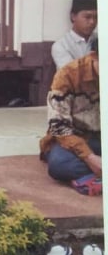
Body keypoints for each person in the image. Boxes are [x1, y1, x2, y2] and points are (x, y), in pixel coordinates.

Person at [39, 39, 100, 189]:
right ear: (94, 56)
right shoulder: (68, 74)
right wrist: (90, 158)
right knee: (60, 165)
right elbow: (59, 127)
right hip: (74, 138)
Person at [51, 0, 98, 69]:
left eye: (96, 17)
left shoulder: (101, 39)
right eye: (87, 17)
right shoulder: (61, 45)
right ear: (73, 16)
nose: (92, 22)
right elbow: (73, 74)